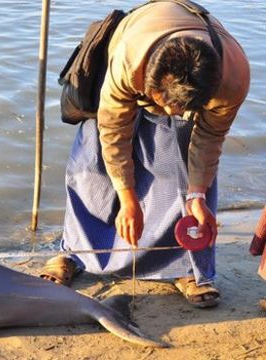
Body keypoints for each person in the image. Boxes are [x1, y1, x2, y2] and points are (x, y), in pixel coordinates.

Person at [40, 0, 250, 308]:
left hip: (195, 82)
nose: (166, 112)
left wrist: (197, 196)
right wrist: (127, 198)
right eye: (161, 103)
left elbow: (210, 138)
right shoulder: (129, 59)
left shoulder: (233, 78)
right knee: (90, 165)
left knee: (178, 164)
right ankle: (75, 252)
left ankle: (186, 268)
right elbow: (114, 131)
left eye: (175, 108)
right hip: (130, 59)